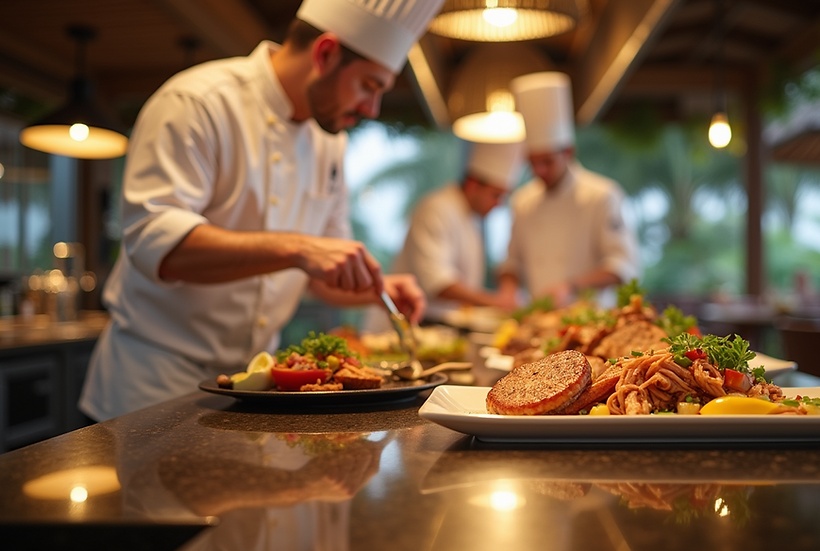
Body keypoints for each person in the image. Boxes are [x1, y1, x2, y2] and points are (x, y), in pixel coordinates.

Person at [79, 0, 446, 422]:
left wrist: (376, 288)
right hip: (153, 383)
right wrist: (299, 248)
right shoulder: (198, 103)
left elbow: (324, 273)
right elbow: (157, 245)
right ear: (325, 54)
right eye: (369, 85)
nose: (371, 109)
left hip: (257, 386)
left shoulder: (329, 144)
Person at [497, 71, 638, 308]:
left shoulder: (603, 195)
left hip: (591, 320)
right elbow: (511, 263)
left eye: (547, 162)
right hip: (539, 320)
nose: (539, 170)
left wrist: (572, 286)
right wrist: (509, 290)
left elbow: (622, 266)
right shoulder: (522, 201)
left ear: (568, 152)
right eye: (532, 162)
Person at [388, 141, 525, 321]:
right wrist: (497, 302)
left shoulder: (471, 217)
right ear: (473, 185)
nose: (499, 204)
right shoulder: (436, 209)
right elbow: (438, 283)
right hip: (416, 321)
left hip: (447, 323)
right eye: (496, 195)